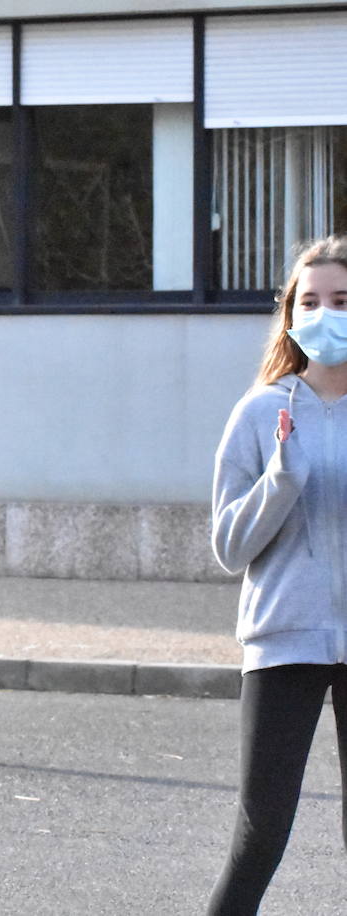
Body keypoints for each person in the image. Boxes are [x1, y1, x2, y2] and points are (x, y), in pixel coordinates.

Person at [207, 235, 347, 915]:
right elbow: (230, 548)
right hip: (284, 637)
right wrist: (281, 480)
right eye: (311, 300)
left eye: (342, 301)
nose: (326, 314)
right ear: (289, 313)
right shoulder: (261, 413)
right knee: (261, 832)